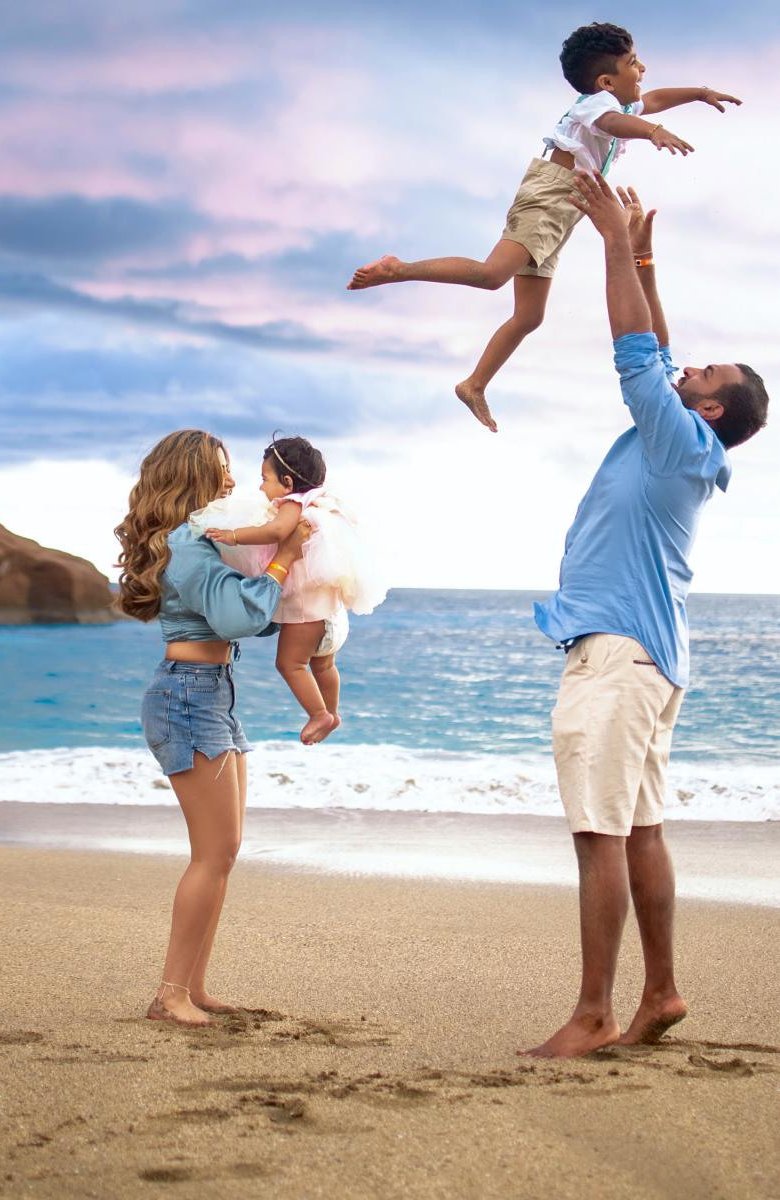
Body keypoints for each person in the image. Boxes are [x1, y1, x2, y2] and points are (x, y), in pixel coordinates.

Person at [521, 173, 768, 1059]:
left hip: (620, 655)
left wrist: (611, 242)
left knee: (599, 835)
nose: (686, 365)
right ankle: (657, 991)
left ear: (708, 408)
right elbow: (658, 350)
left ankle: (593, 1011)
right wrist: (648, 256)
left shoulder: (675, 434)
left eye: (702, 374)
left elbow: (633, 349)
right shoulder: (692, 436)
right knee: (640, 828)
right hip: (651, 655)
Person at [347, 22, 740, 434]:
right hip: (550, 193)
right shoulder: (594, 104)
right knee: (492, 274)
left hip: (566, 206)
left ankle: (474, 383)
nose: (642, 69)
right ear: (606, 80)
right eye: (633, 63)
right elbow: (613, 124)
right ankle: (399, 268)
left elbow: (654, 99)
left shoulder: (621, 104)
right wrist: (653, 133)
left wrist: (699, 93)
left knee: (530, 315)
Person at [114, 430, 309, 1028]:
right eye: (221, 470)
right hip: (189, 697)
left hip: (207, 694)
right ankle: (169, 995)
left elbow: (239, 615)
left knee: (222, 853)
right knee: (214, 853)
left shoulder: (196, 543)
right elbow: (236, 615)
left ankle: (193, 988)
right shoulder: (193, 546)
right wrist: (283, 560)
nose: (230, 482)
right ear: (194, 475)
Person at [190, 435, 387, 745]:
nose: (260, 488)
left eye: (264, 479)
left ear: (286, 482)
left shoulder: (292, 504)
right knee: (324, 665)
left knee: (289, 664)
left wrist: (234, 535)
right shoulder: (325, 504)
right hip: (332, 617)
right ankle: (332, 713)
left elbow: (277, 531)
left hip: (306, 615)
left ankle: (319, 714)